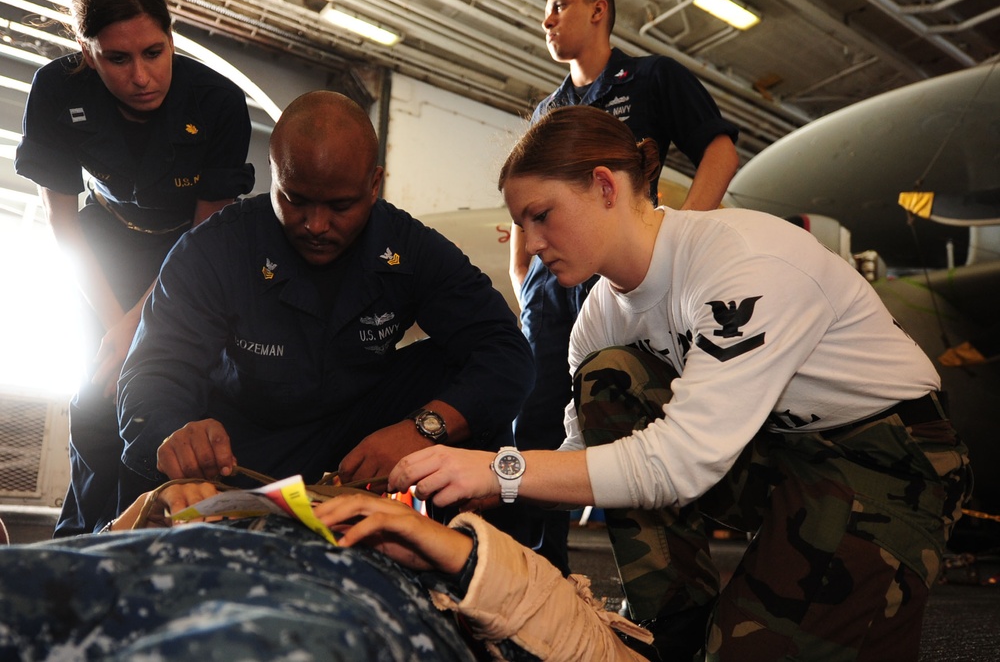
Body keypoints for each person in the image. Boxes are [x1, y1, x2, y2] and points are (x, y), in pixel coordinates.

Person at [389, 106, 973, 661]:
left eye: (541, 216)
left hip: (889, 465)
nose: (533, 246)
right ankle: (674, 621)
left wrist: (502, 468)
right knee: (610, 377)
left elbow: (681, 460)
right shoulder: (598, 317)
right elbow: (582, 454)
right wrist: (487, 500)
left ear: (606, 187)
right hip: (771, 456)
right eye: (521, 225)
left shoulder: (741, 263)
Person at [116, 90, 534, 537]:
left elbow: (507, 352)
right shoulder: (216, 249)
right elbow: (152, 371)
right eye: (294, 199)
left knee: (462, 372)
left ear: (374, 184)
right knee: (130, 444)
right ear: (274, 176)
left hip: (357, 447)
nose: (315, 225)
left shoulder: (408, 249)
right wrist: (174, 433)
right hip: (239, 452)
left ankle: (474, 570)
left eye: (339, 206)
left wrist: (423, 429)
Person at [14, 0, 255, 537]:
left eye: (154, 52)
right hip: (101, 253)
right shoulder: (55, 89)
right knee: (95, 399)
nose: (141, 76)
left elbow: (203, 235)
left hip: (190, 259)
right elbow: (63, 222)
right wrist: (112, 325)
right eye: (117, 59)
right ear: (86, 50)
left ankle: (153, 534)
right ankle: (81, 542)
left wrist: (137, 328)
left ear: (171, 38)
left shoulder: (218, 103)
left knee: (166, 396)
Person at [510, 0, 739, 576]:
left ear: (598, 10)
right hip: (551, 291)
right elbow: (526, 212)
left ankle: (667, 579)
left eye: (558, 7)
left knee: (628, 407)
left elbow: (717, 149)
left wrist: (686, 234)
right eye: (545, 13)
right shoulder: (547, 111)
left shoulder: (653, 79)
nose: (548, 21)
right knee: (535, 416)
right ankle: (541, 570)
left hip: (618, 275)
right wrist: (525, 282)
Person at [0, 483, 651, 661]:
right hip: (151, 565)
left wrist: (443, 547)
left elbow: (597, 653)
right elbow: (100, 547)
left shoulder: (438, 560)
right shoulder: (268, 505)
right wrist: (166, 501)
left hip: (340, 614)